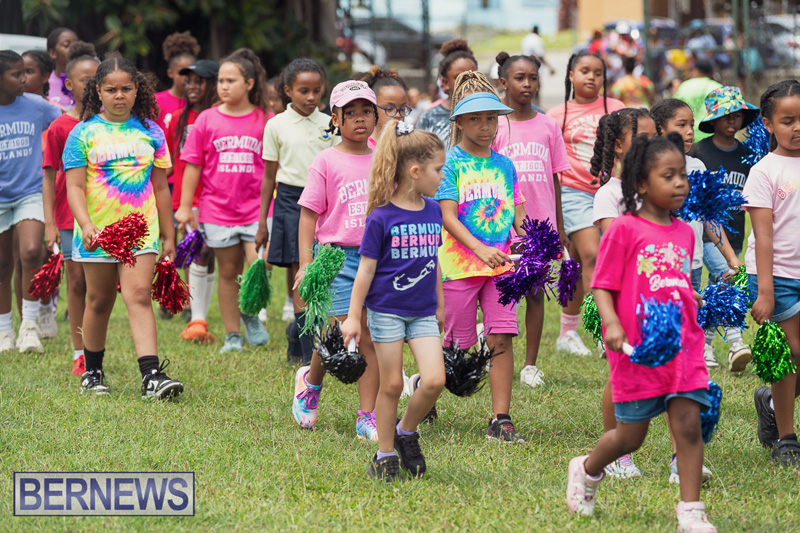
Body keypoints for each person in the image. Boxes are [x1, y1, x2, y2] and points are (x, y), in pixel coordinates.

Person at [566, 133, 716, 532]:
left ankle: (691, 510)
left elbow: (673, 278)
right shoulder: (625, 229)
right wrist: (611, 322)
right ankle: (587, 469)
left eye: (683, 174)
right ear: (641, 184)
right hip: (638, 346)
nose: (680, 182)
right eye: (669, 175)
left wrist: (691, 297)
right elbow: (603, 281)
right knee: (630, 436)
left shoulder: (685, 232)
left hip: (683, 343)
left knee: (688, 423)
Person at [63, 53, 183, 399]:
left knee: (139, 296)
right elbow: (73, 187)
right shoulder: (82, 134)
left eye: (126, 88)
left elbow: (161, 187)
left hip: (140, 231)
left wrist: (169, 233)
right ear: (97, 91)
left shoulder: (152, 131)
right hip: (96, 233)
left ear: (137, 90)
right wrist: (85, 224)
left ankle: (152, 376)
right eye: (111, 89)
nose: (119, 95)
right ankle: (93, 371)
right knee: (99, 301)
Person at [341, 121, 446, 481]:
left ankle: (406, 431)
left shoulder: (434, 211)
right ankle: (384, 454)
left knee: (434, 380)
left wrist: (440, 304)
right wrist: (354, 317)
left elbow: (434, 264)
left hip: (422, 314)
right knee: (392, 385)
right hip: (385, 312)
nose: (442, 176)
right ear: (415, 172)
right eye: (438, 170)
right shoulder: (381, 217)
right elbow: (365, 272)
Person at [435, 75, 527, 441]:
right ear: (459, 122)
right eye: (475, 119)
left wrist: (531, 241)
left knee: (501, 337)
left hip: (501, 267)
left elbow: (518, 214)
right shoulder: (450, 164)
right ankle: (427, 389)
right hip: (459, 265)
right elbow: (447, 216)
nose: (485, 127)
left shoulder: (505, 166)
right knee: (457, 344)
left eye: (491, 118)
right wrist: (479, 249)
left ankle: (500, 418)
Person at [290, 80, 380, 440]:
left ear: (376, 116)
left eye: (366, 111)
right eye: (351, 113)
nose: (360, 119)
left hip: (378, 258)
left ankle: (367, 416)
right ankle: (310, 384)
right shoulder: (326, 160)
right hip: (336, 260)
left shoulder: (384, 157)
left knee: (370, 338)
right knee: (336, 335)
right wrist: (306, 263)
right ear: (335, 119)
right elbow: (309, 215)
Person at [175, 48, 270, 353]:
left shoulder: (265, 120)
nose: (224, 86)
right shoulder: (206, 119)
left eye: (232, 80)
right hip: (216, 210)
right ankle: (233, 335)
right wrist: (185, 206)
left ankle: (250, 314)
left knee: (259, 267)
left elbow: (274, 169)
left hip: (255, 210)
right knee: (228, 273)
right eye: (221, 81)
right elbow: (193, 165)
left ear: (250, 83)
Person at [493, 51, 570, 389]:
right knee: (500, 294)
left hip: (540, 227)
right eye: (519, 78)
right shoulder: (494, 125)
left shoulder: (548, 125)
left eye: (533, 78)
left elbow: (555, 179)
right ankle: (495, 357)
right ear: (503, 82)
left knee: (536, 294)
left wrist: (561, 227)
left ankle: (530, 365)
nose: (527, 84)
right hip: (499, 226)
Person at [254, 58, 335, 364]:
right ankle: (302, 344)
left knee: (323, 270)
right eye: (303, 90)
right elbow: (269, 176)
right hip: (289, 200)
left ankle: (308, 335)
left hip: (325, 201)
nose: (311, 97)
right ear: (288, 90)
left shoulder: (330, 123)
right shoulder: (275, 125)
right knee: (299, 271)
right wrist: (263, 221)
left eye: (316, 90)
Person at [652, 98, 742, 373]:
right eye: (681, 125)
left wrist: (730, 258)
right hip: (659, 265)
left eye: (691, 125)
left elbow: (710, 217)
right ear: (659, 129)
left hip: (692, 262)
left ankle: (684, 378)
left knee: (688, 324)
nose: (690, 131)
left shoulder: (697, 167)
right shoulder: (649, 166)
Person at [546, 51, 625, 357]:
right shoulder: (557, 114)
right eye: (584, 71)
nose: (591, 77)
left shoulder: (617, 109)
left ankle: (567, 331)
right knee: (593, 254)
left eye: (597, 73)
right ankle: (606, 331)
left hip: (612, 190)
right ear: (570, 75)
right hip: (573, 193)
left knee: (579, 264)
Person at [746, 80, 800, 466]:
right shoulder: (764, 171)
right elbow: (762, 237)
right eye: (787, 120)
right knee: (792, 353)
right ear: (767, 123)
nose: (797, 127)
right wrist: (764, 290)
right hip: (776, 276)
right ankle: (787, 438)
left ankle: (769, 399)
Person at [690, 86, 760, 373]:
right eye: (725, 116)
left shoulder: (746, 155)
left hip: (734, 235)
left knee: (720, 286)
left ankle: (705, 347)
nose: (732, 121)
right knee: (727, 276)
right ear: (713, 119)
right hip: (707, 233)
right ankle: (736, 343)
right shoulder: (699, 151)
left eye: (737, 116)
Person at [42, 41, 99, 374]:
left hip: (106, 213)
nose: (89, 86)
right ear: (68, 84)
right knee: (77, 283)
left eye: (95, 79)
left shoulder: (110, 125)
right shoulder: (60, 127)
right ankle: (79, 352)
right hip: (67, 216)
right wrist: (49, 222)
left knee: (101, 287)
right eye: (83, 80)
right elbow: (49, 178)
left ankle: (95, 346)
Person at [0, 51, 61, 354]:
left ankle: (30, 328)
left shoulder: (37, 107)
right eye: (16, 74)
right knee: (1, 264)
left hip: (30, 192)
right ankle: (4, 332)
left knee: (31, 251)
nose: (24, 80)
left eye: (25, 72)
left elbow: (66, 123)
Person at [164, 59, 219, 343]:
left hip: (213, 197)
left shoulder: (218, 117)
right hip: (184, 197)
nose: (192, 86)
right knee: (199, 252)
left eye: (199, 81)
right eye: (189, 81)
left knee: (205, 254)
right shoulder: (176, 118)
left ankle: (198, 313)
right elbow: (171, 162)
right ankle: (195, 315)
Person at [417, 39, 477, 145]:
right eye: (459, 77)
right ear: (444, 82)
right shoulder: (430, 118)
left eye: (473, 76)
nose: (468, 83)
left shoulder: (488, 114)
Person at [155, 31, 200, 134]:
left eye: (191, 73)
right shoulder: (156, 102)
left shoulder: (199, 103)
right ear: (170, 73)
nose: (186, 78)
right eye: (182, 73)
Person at [357, 66, 411, 148]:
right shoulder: (362, 148)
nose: (398, 115)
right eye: (390, 109)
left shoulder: (409, 145)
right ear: (372, 110)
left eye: (403, 109)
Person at [674, 59, 722, 142]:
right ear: (711, 71)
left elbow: (675, 108)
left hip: (688, 135)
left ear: (696, 70)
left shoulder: (685, 86)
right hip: (712, 134)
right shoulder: (718, 87)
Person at [45, 27, 78, 109]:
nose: (74, 49)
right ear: (52, 53)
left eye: (76, 45)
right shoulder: (45, 82)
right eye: (67, 45)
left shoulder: (88, 81)